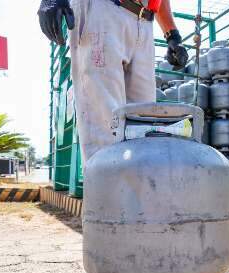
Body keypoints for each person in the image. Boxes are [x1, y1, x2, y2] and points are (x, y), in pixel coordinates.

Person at [38, 0, 188, 162]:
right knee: (104, 135)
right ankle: (104, 186)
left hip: (144, 21)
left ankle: (133, 187)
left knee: (143, 135)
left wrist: (172, 34)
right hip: (103, 10)